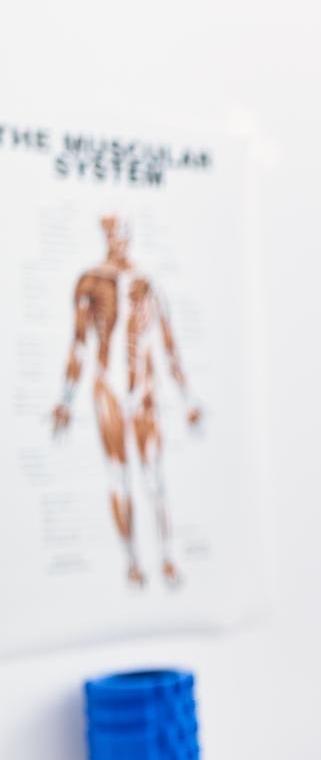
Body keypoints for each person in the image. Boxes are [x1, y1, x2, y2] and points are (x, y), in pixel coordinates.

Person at [50, 213, 203, 588]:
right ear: (105, 234)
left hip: (144, 388)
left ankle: (167, 558)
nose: (120, 238)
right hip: (108, 388)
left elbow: (169, 344)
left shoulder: (148, 283)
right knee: (119, 477)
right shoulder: (90, 281)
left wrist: (188, 399)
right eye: (113, 232)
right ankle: (133, 562)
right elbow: (79, 344)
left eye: (124, 232)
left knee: (154, 476)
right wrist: (66, 400)